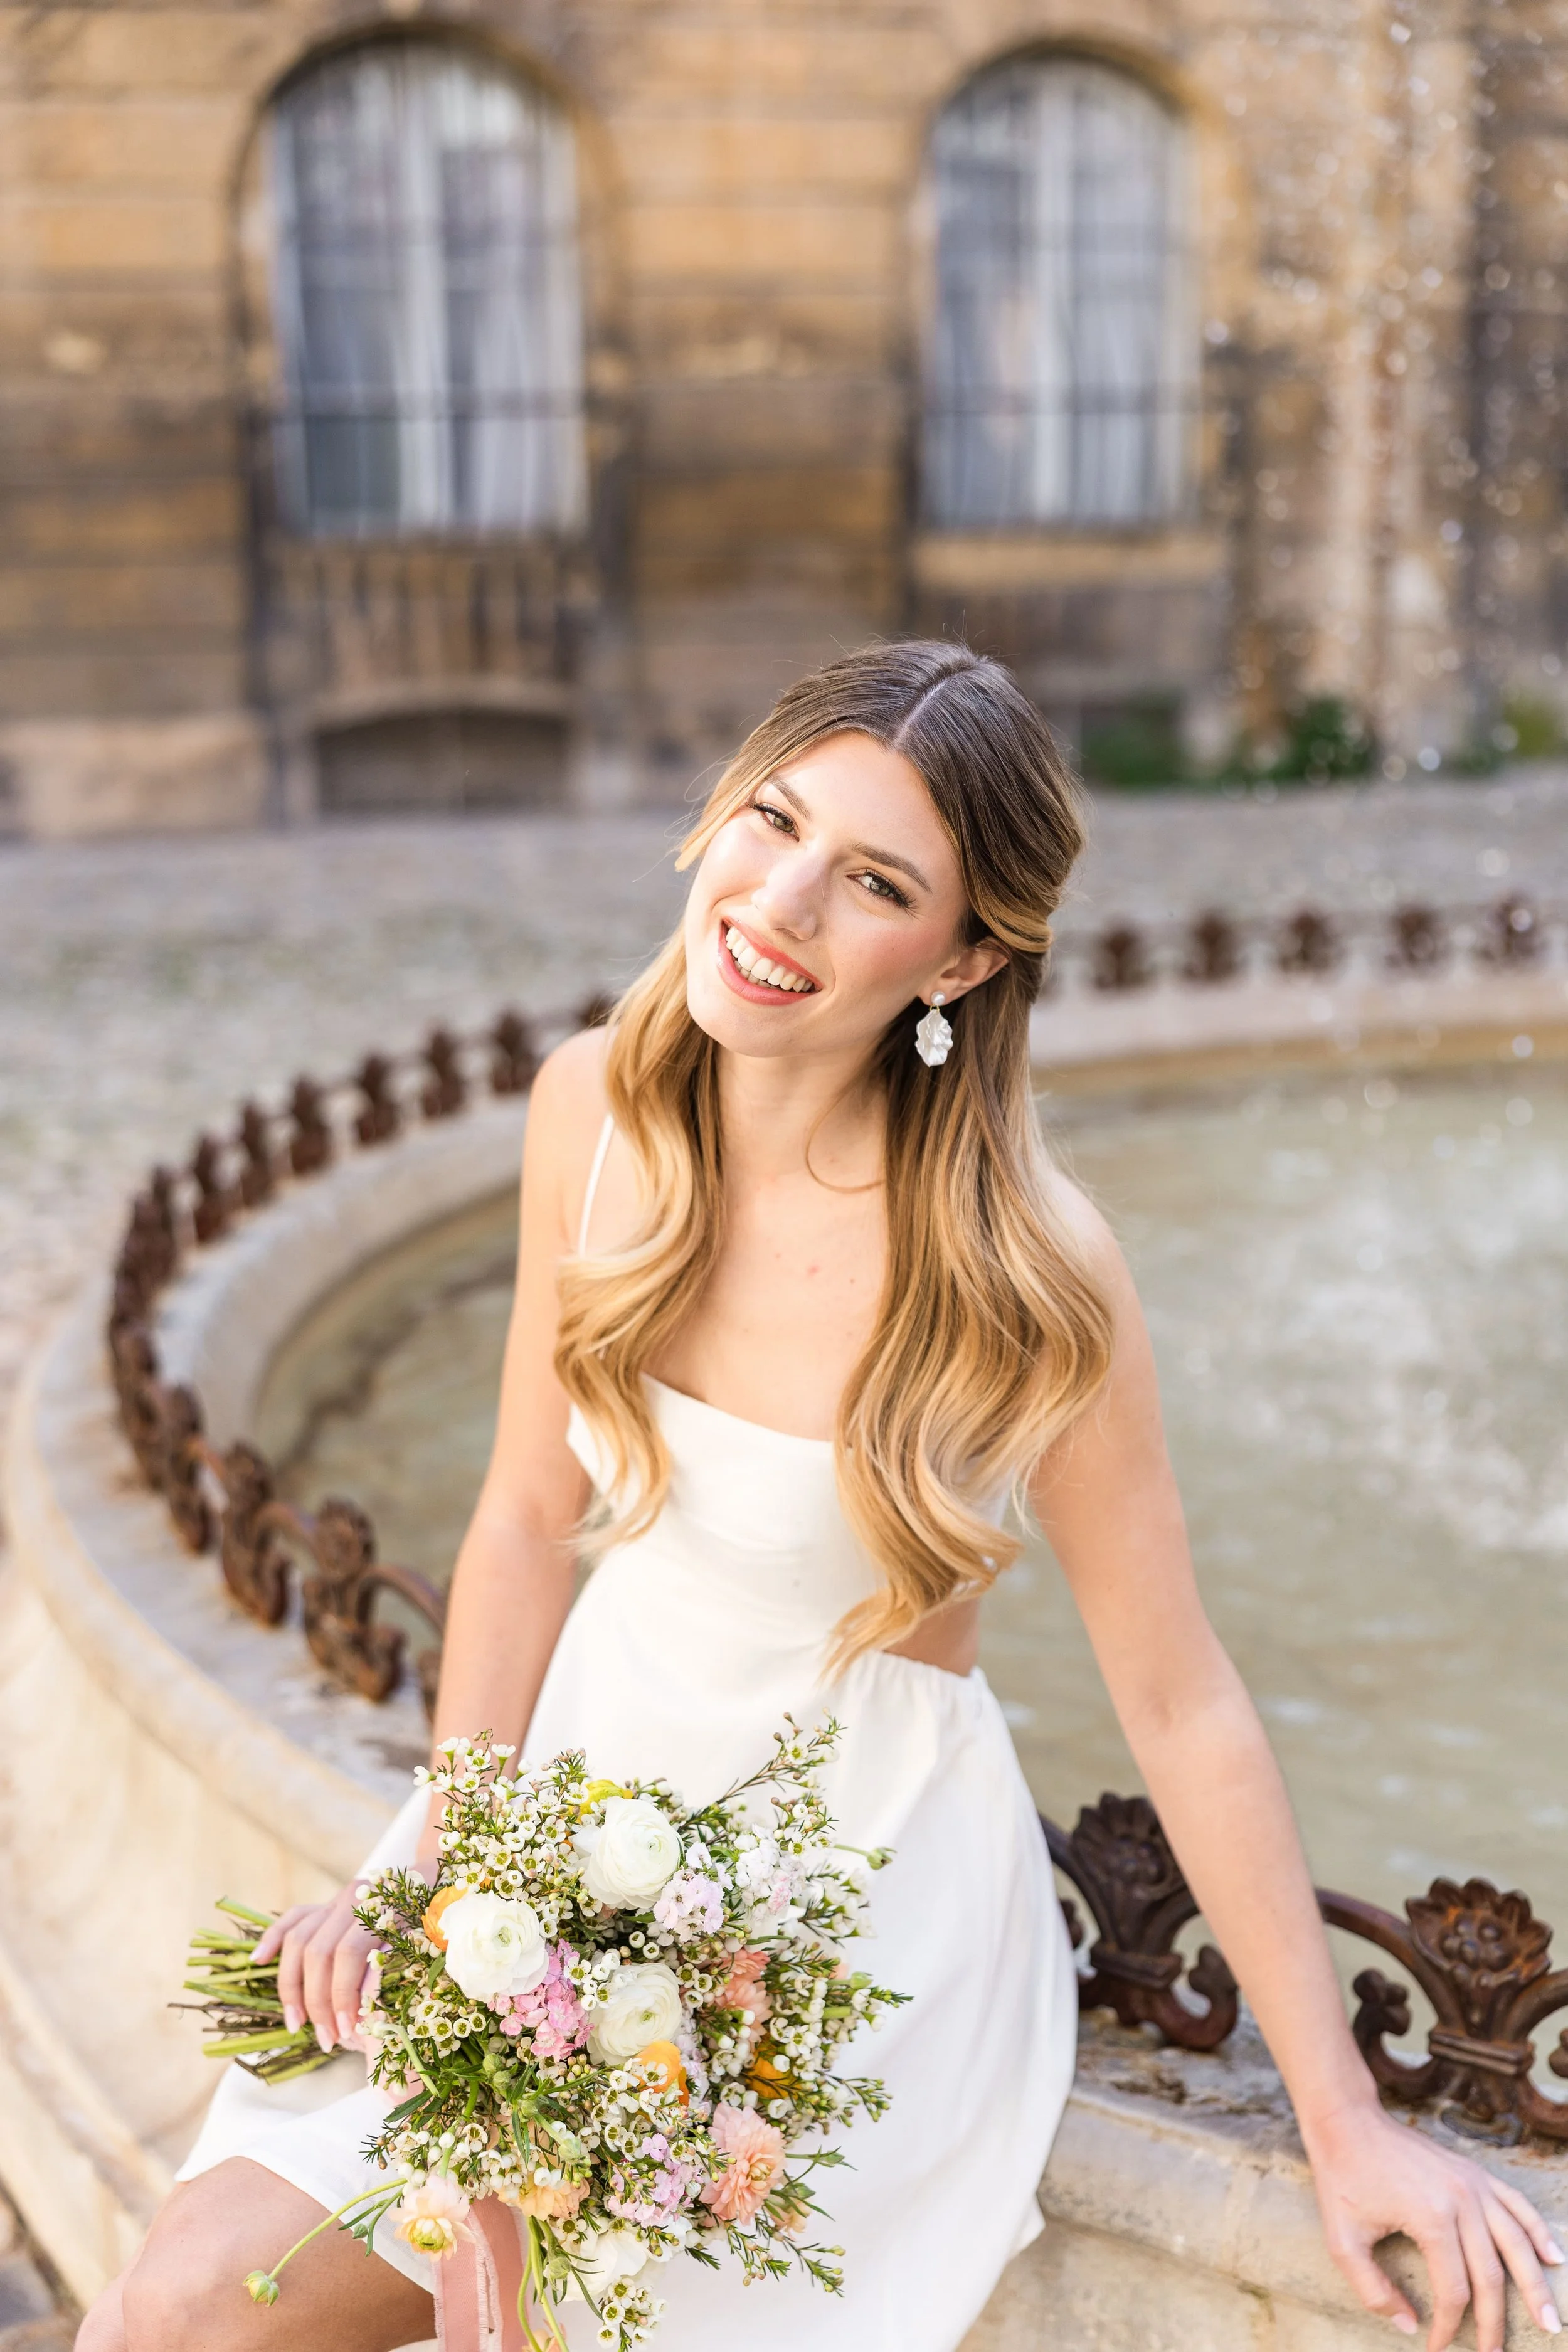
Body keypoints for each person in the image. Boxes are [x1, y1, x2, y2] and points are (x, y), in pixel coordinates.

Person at [81, 641, 1561, 2352]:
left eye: (871, 882)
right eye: (772, 821)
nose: (775, 906)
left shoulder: (1020, 1270)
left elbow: (1178, 1692)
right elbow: (515, 1521)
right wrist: (436, 1869)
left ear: (964, 952)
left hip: (833, 1888)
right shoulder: (599, 1105)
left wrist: (1338, 2113)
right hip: (578, 1790)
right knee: (168, 2306)